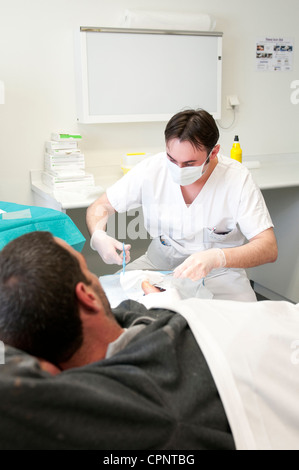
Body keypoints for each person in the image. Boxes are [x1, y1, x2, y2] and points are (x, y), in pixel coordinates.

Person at [0, 232, 298, 451]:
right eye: (88, 271)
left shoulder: (137, 335)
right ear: (87, 296)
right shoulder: (159, 406)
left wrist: (162, 303)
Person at [86, 108, 278, 302]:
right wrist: (98, 235)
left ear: (214, 152)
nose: (178, 170)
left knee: (239, 325)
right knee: (104, 302)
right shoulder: (152, 169)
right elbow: (100, 206)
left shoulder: (237, 179)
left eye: (189, 163)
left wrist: (217, 257)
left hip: (219, 275)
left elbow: (268, 247)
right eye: (171, 159)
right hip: (159, 267)